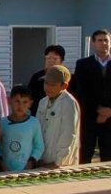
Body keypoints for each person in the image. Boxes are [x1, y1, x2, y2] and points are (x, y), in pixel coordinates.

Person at [74, 30, 111, 163]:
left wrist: (108, 111)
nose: (104, 43)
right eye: (100, 40)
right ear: (93, 43)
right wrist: (98, 110)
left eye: (106, 40)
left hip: (110, 118)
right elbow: (81, 91)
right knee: (85, 154)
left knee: (108, 156)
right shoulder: (83, 64)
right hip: (89, 117)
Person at [36, 65, 80, 168]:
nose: (48, 87)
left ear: (64, 86)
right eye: (46, 83)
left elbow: (69, 135)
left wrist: (58, 162)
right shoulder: (42, 102)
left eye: (53, 85)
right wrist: (37, 157)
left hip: (62, 163)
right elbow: (37, 131)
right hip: (42, 161)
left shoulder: (69, 103)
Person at [0, 85, 45, 172]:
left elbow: (39, 146)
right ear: (9, 101)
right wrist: (1, 164)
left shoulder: (34, 122)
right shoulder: (2, 123)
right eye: (17, 101)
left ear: (30, 103)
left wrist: (31, 163)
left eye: (25, 102)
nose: (20, 105)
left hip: (27, 170)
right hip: (5, 171)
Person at [27, 45, 66, 117]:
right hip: (39, 115)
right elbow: (29, 97)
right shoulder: (37, 77)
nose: (51, 61)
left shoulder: (68, 78)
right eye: (48, 58)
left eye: (55, 59)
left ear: (61, 61)